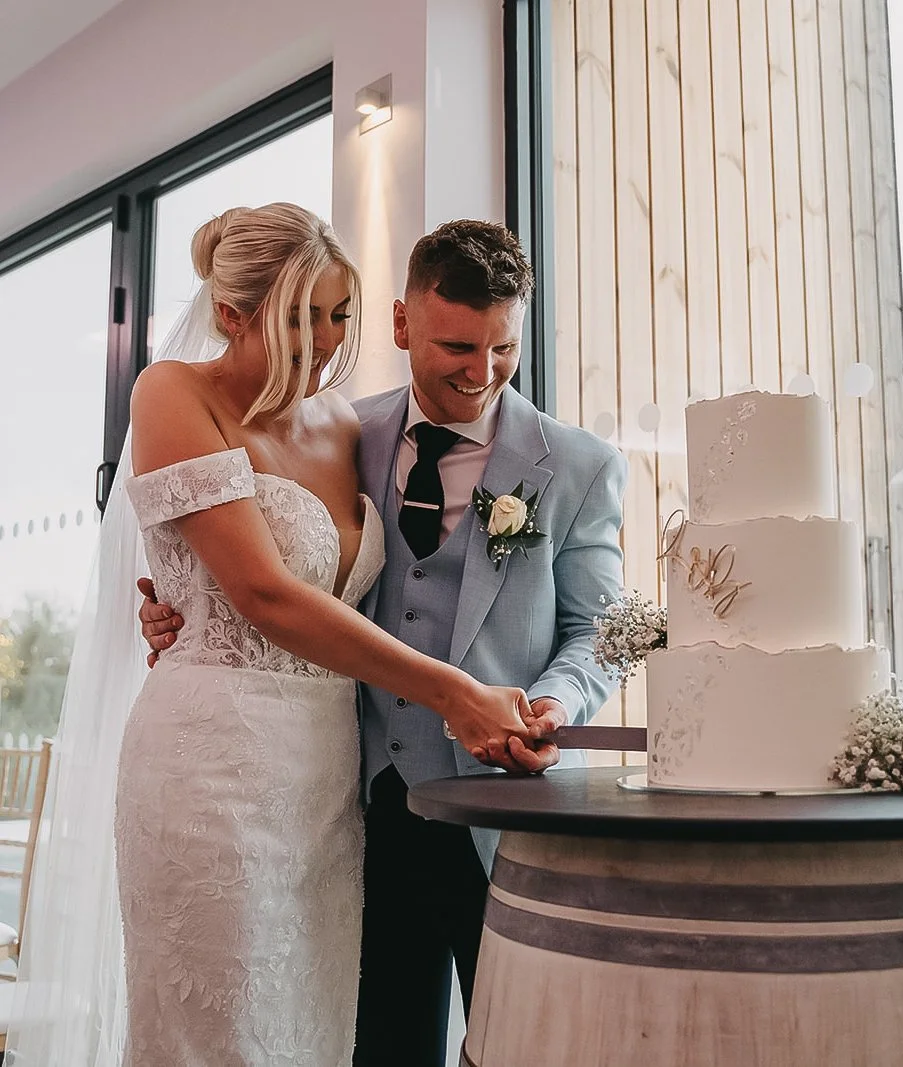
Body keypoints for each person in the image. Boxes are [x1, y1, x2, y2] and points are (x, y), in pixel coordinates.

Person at [7, 204, 537, 1067]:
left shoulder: (345, 426)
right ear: (231, 312)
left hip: (325, 780)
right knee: (219, 1031)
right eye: (302, 317)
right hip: (210, 769)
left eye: (337, 316)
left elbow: (385, 582)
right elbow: (261, 589)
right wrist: (449, 689)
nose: (326, 342)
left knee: (311, 1027)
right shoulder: (171, 391)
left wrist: (175, 595)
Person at [140, 219, 628, 1067]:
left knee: (524, 1045)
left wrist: (555, 701)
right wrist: (177, 604)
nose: (481, 373)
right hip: (358, 801)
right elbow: (256, 568)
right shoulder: (341, 433)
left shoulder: (578, 465)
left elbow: (598, 631)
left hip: (501, 815)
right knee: (367, 1042)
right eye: (456, 346)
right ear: (403, 325)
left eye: (502, 349)